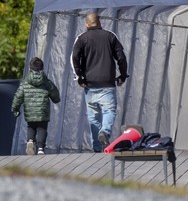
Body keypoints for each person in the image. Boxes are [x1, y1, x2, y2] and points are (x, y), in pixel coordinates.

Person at [71, 12, 128, 153]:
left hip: (89, 85)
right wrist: (122, 76)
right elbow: (121, 58)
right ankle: (105, 132)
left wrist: (80, 77)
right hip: (107, 83)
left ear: (86, 24)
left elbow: (74, 58)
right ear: (100, 22)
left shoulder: (81, 39)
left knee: (93, 117)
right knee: (109, 111)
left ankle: (97, 147)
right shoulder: (110, 36)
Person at [11, 57, 60, 155]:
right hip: (43, 111)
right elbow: (54, 92)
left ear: (30, 69)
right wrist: (56, 99)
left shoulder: (25, 82)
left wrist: (15, 109)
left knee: (31, 127)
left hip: (30, 111)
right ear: (42, 69)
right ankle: (41, 148)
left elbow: (18, 96)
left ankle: (30, 141)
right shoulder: (46, 81)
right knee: (42, 128)